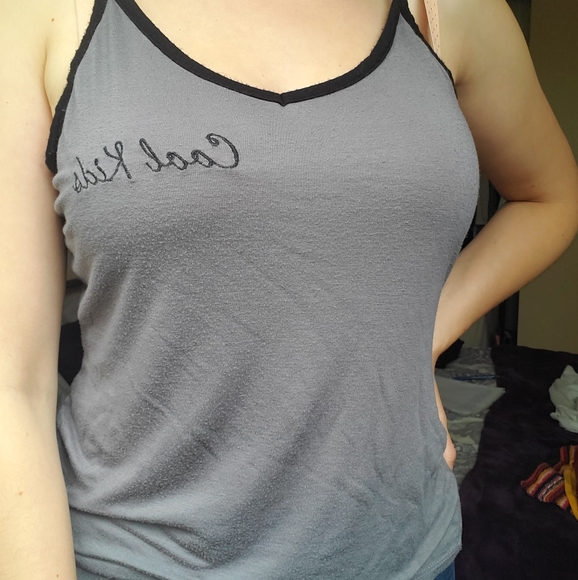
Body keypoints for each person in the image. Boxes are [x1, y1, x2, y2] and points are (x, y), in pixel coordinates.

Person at [1, 0, 577, 578]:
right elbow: (13, 385)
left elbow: (549, 197)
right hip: (134, 559)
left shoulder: (452, 12)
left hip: (405, 557)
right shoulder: (43, 16)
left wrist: (420, 340)